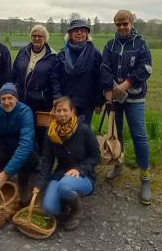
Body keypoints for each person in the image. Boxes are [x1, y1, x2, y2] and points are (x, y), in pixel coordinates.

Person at [101, 9, 154, 204]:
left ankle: (145, 177)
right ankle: (118, 164)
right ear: (115, 25)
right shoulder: (110, 44)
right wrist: (109, 90)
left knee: (139, 136)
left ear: (131, 23)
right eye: (118, 24)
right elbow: (104, 67)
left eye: (125, 23)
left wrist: (126, 84)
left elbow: (146, 68)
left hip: (135, 97)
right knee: (117, 133)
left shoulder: (140, 44)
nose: (122, 27)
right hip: (115, 98)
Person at [35, 96, 99, 230]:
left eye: (65, 110)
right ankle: (65, 200)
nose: (62, 114)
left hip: (84, 176)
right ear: (54, 112)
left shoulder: (84, 130)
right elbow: (47, 160)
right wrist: (40, 184)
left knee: (65, 186)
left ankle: (77, 211)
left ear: (72, 111)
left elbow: (96, 156)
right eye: (58, 110)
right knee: (48, 208)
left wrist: (80, 169)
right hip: (61, 173)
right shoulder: (51, 132)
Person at [0, 83, 38, 206]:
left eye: (10, 98)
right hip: (4, 149)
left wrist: (5, 174)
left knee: (24, 201)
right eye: (3, 99)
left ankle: (22, 181)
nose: (6, 102)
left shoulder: (25, 112)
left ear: (16, 99)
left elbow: (26, 146)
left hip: (24, 153)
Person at [52, 19, 112, 125]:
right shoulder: (62, 54)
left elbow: (99, 78)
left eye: (83, 30)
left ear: (87, 34)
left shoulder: (95, 54)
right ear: (70, 34)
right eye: (76, 30)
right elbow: (55, 77)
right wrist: (57, 98)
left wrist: (99, 102)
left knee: (83, 134)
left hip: (87, 104)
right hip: (66, 104)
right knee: (65, 133)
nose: (79, 33)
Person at [11, 24, 59, 154]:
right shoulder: (23, 52)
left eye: (40, 36)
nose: (37, 38)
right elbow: (14, 73)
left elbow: (55, 80)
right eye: (34, 35)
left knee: (41, 132)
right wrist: (11, 90)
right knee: (25, 130)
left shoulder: (53, 57)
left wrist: (56, 99)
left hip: (41, 101)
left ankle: (41, 160)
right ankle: (26, 157)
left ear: (45, 38)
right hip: (21, 99)